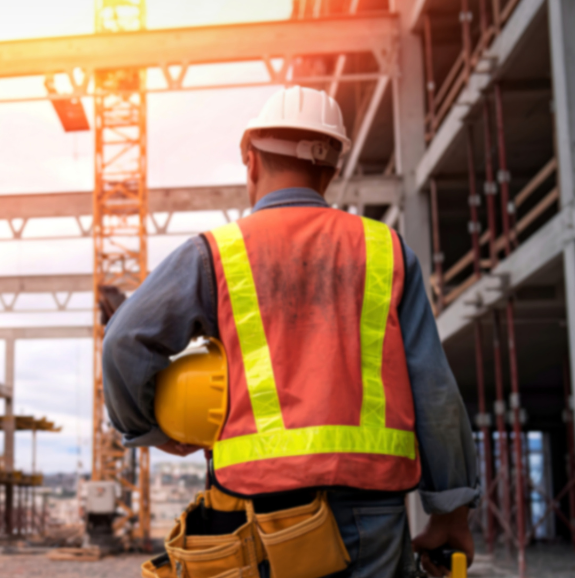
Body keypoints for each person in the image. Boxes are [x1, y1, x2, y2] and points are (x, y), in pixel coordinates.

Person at [102, 86, 477, 578]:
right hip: (373, 514)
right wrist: (450, 509)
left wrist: (151, 430)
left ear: (251, 160)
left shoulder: (216, 253)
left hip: (258, 518)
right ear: (331, 170)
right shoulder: (386, 251)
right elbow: (434, 390)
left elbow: (123, 343)